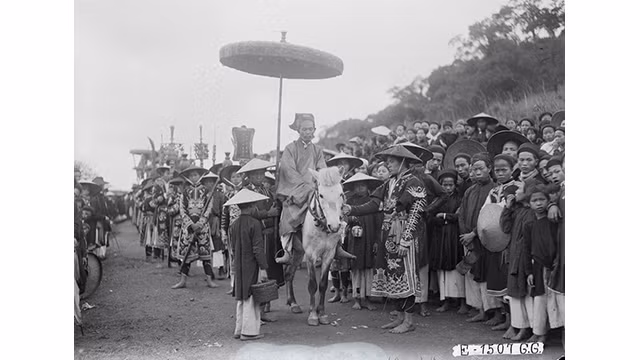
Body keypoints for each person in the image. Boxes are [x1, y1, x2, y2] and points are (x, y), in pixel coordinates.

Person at [342, 145, 427, 334]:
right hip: (388, 232)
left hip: (404, 232)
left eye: (391, 161)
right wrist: (351, 209)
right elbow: (375, 204)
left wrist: (406, 239)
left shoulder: (414, 182)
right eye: (387, 161)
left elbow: (416, 212)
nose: (388, 164)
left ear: (403, 162)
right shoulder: (389, 182)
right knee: (391, 273)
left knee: (406, 274)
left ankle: (409, 320)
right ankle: (398, 317)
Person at [275, 113, 326, 265]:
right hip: (295, 191)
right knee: (286, 216)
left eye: (310, 129)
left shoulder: (317, 150)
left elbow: (322, 169)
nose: (307, 132)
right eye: (304, 129)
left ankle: (335, 246)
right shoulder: (290, 148)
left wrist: (319, 181)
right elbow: (288, 170)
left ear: (314, 130)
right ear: (298, 130)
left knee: (331, 210)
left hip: (313, 189)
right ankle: (287, 249)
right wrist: (304, 186)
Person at [236, 159, 283, 319]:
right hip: (255, 234)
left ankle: (263, 308)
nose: (258, 176)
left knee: (270, 270)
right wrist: (268, 214)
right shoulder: (246, 191)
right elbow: (249, 212)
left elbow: (274, 206)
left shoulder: (267, 190)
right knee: (257, 273)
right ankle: (254, 313)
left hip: (269, 235)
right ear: (249, 176)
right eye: (255, 174)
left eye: (261, 173)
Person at [458, 153, 499, 323]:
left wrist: (474, 233)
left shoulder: (495, 189)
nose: (477, 172)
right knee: (474, 275)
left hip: (487, 239)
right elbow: (462, 213)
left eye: (480, 168)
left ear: (489, 168)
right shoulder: (469, 190)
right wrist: (466, 235)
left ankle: (496, 312)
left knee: (489, 274)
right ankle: (481, 309)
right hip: (469, 239)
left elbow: (492, 216)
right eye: (474, 169)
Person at [225, 189, 270, 341]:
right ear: (252, 207)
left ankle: (239, 329)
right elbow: (258, 249)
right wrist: (263, 267)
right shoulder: (255, 224)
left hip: (238, 264)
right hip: (251, 264)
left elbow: (231, 247)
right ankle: (249, 332)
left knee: (241, 296)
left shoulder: (233, 225)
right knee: (251, 296)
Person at [172, 166, 219, 289]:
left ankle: (209, 279)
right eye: (191, 175)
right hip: (188, 228)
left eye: (196, 175)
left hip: (202, 227)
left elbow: (209, 209)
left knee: (205, 253)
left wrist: (201, 223)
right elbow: (182, 209)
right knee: (186, 253)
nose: (194, 177)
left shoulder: (207, 192)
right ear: (188, 177)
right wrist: (189, 224)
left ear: (200, 176)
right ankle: (183, 280)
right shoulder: (185, 192)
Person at [521, 184, 558, 343]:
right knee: (538, 300)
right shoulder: (529, 225)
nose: (539, 203)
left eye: (542, 199)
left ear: (548, 201)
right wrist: (528, 271)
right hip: (536, 266)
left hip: (551, 265)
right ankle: (538, 331)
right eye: (534, 200)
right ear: (529, 203)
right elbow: (526, 248)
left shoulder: (553, 221)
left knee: (547, 300)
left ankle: (543, 333)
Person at [342, 173, 383, 311]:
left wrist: (377, 241)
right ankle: (356, 298)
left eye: (363, 186)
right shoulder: (350, 202)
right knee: (356, 268)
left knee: (368, 268)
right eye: (357, 186)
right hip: (354, 240)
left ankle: (367, 298)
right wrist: (352, 220)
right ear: (353, 188)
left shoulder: (373, 202)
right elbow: (344, 219)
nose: (360, 188)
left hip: (370, 238)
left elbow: (379, 223)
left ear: (368, 187)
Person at [428, 169, 466, 314]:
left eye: (451, 185)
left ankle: (462, 301)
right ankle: (445, 301)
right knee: (442, 270)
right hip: (439, 236)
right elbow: (430, 216)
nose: (448, 188)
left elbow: (460, 216)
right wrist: (443, 219)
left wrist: (445, 216)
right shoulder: (437, 199)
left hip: (454, 236)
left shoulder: (460, 199)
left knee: (456, 267)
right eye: (445, 185)